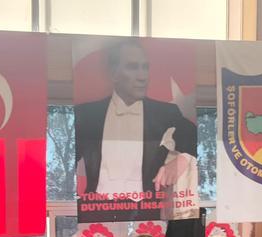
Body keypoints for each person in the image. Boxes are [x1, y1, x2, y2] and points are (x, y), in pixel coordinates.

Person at [75, 39, 197, 199]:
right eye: (132, 67)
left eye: (145, 67)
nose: (142, 76)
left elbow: (195, 140)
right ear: (114, 74)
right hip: (96, 208)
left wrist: (182, 159)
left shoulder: (166, 113)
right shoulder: (86, 115)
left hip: (147, 208)